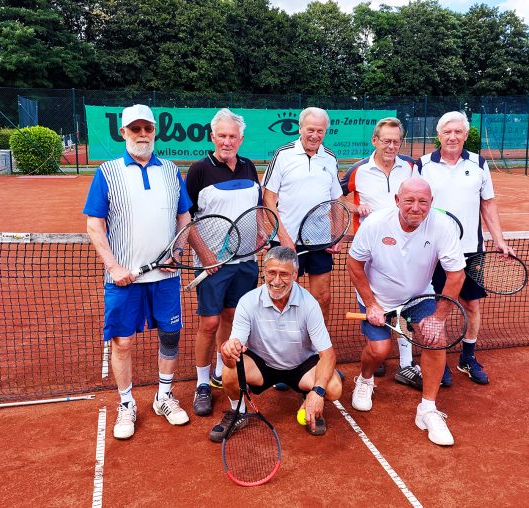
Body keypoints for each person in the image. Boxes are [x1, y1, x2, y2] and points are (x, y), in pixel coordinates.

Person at [84, 104, 193, 440]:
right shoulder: (107, 172)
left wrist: (177, 252)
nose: (142, 135)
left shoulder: (172, 171)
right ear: (123, 133)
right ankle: (127, 403)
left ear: (154, 132)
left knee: (170, 337)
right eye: (135, 129)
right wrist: (114, 267)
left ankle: (163, 396)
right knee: (123, 341)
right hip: (124, 281)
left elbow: (184, 218)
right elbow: (94, 224)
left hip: (165, 279)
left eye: (147, 129)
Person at [347, 178, 465, 446]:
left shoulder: (442, 226)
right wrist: (372, 303)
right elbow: (354, 264)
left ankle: (427, 409)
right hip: (377, 296)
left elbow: (456, 275)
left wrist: (438, 318)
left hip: (418, 296)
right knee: (379, 350)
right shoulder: (376, 224)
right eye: (409, 200)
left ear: (431, 203)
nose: (416, 207)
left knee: (435, 341)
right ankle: (365, 380)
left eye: (423, 201)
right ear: (397, 201)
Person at [340, 117, 445, 388]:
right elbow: (335, 195)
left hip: (407, 243)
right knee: (381, 303)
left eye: (396, 141)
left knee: (407, 296)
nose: (391, 146)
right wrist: (354, 209)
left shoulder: (411, 167)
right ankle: (379, 355)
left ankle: (406, 365)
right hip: (373, 248)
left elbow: (422, 197)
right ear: (374, 141)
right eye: (386, 141)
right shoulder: (358, 170)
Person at [416, 111, 515, 385]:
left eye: (458, 132)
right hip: (431, 250)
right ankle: (440, 358)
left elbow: (488, 204)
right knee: (437, 305)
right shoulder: (423, 165)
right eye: (447, 132)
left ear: (465, 135)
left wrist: (500, 239)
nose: (452, 137)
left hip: (470, 250)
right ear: (438, 135)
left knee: (470, 305)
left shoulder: (479, 163)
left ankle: (467, 357)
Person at [208, 246, 343, 441]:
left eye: (284, 274)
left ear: (295, 274)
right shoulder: (248, 302)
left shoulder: (309, 304)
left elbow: (328, 355)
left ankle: (309, 398)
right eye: (271, 273)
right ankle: (238, 410)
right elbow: (233, 355)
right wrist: (228, 351)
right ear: (264, 271)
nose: (277, 281)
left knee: (333, 388)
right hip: (263, 365)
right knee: (229, 371)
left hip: (301, 367)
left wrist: (317, 391)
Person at [185, 108, 262, 417]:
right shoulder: (199, 170)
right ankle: (202, 384)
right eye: (222, 135)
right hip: (212, 265)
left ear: (240, 138)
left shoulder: (249, 167)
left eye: (233, 136)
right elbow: (186, 221)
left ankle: (220, 370)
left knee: (231, 318)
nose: (227, 141)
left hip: (245, 261)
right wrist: (206, 257)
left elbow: (257, 210)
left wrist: (260, 238)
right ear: (212, 137)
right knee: (209, 323)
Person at [262, 107, 343, 321]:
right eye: (310, 130)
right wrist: (284, 238)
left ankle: (319, 344)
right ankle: (285, 346)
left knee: (322, 297)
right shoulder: (283, 155)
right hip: (286, 240)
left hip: (320, 240)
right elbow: (268, 199)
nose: (315, 135)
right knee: (284, 296)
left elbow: (336, 201)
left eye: (320, 131)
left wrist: (335, 234)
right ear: (300, 128)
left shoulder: (330, 158)